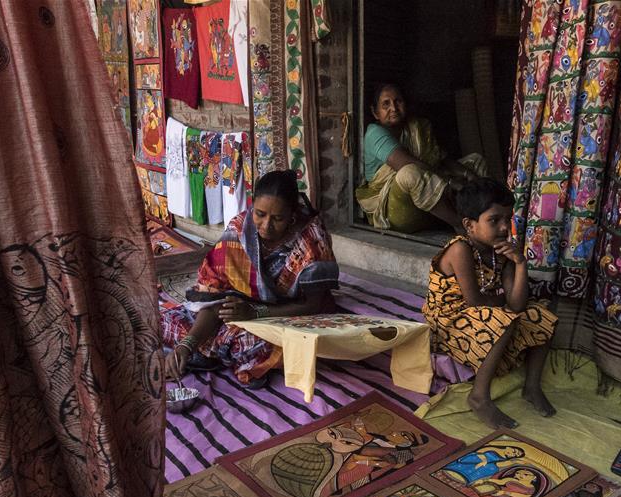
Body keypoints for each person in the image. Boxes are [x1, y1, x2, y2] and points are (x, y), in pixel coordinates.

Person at [163, 170, 339, 387]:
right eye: (260, 214)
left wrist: (256, 313)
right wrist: (186, 346)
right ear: (252, 206)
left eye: (278, 218)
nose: (266, 226)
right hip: (241, 311)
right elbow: (213, 297)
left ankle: (215, 356)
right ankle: (205, 354)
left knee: (258, 345)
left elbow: (313, 304)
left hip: (290, 315)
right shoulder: (239, 230)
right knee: (165, 320)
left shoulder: (311, 240)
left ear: (292, 215)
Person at [422, 178, 557, 429]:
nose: (505, 227)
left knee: (541, 314)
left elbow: (517, 305)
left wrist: (520, 264)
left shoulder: (500, 253)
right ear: (469, 225)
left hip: (481, 314)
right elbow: (474, 300)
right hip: (448, 322)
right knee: (504, 320)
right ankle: (479, 396)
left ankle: (531, 386)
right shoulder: (460, 249)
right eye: (494, 220)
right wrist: (504, 304)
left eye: (508, 219)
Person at [356, 83, 490, 233]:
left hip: (429, 208)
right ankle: (461, 224)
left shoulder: (417, 126)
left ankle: (483, 219)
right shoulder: (374, 133)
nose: (393, 108)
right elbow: (406, 163)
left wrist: (467, 174)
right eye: (385, 104)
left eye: (398, 101)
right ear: (375, 112)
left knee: (476, 161)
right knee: (409, 173)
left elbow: (440, 159)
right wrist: (450, 182)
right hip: (394, 211)